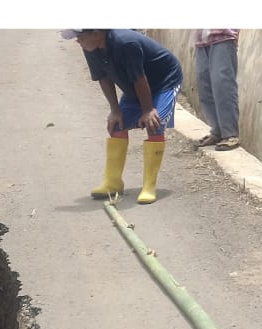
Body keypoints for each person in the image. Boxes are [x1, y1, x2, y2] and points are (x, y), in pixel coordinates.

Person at [62, 30, 184, 204]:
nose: (78, 41)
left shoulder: (126, 43)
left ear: (97, 32)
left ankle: (149, 185)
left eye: (81, 36)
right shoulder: (90, 47)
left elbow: (140, 78)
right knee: (117, 124)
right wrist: (115, 110)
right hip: (135, 84)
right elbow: (102, 78)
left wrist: (148, 109)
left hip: (164, 80)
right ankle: (113, 182)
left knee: (154, 123)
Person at [192, 29, 241, 151]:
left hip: (223, 36)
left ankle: (230, 134)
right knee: (204, 86)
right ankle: (217, 131)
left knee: (223, 85)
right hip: (201, 39)